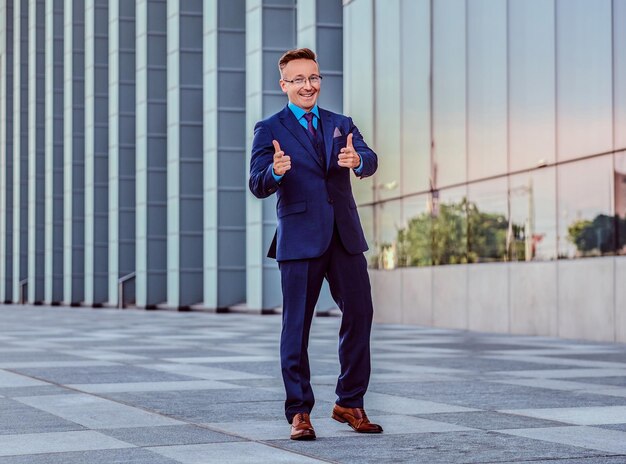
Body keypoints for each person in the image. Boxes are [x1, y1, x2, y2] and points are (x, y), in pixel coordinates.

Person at [248, 48, 383, 441]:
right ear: (284, 85)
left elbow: (369, 158)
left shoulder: (342, 123)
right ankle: (300, 412)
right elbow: (257, 182)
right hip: (299, 239)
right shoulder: (268, 127)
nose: (308, 86)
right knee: (296, 328)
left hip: (344, 235)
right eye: (299, 80)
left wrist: (357, 159)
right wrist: (274, 170)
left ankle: (349, 402)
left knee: (360, 312)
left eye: (314, 78)